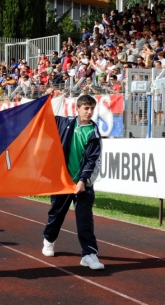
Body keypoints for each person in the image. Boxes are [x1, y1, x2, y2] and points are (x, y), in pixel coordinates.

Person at [42, 94, 104, 270]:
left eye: (92, 108)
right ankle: (49, 239)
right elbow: (44, 117)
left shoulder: (94, 132)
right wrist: (48, 97)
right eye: (86, 108)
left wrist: (83, 181)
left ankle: (89, 254)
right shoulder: (65, 123)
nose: (89, 112)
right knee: (56, 214)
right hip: (63, 181)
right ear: (77, 108)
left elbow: (92, 159)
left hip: (83, 184)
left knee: (85, 220)